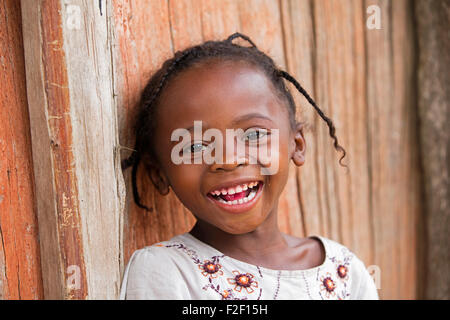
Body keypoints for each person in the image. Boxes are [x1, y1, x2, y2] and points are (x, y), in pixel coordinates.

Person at [119, 33, 378, 300]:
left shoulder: (343, 272)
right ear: (159, 174)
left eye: (254, 135)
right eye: (194, 147)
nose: (229, 160)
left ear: (297, 144)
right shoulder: (168, 271)